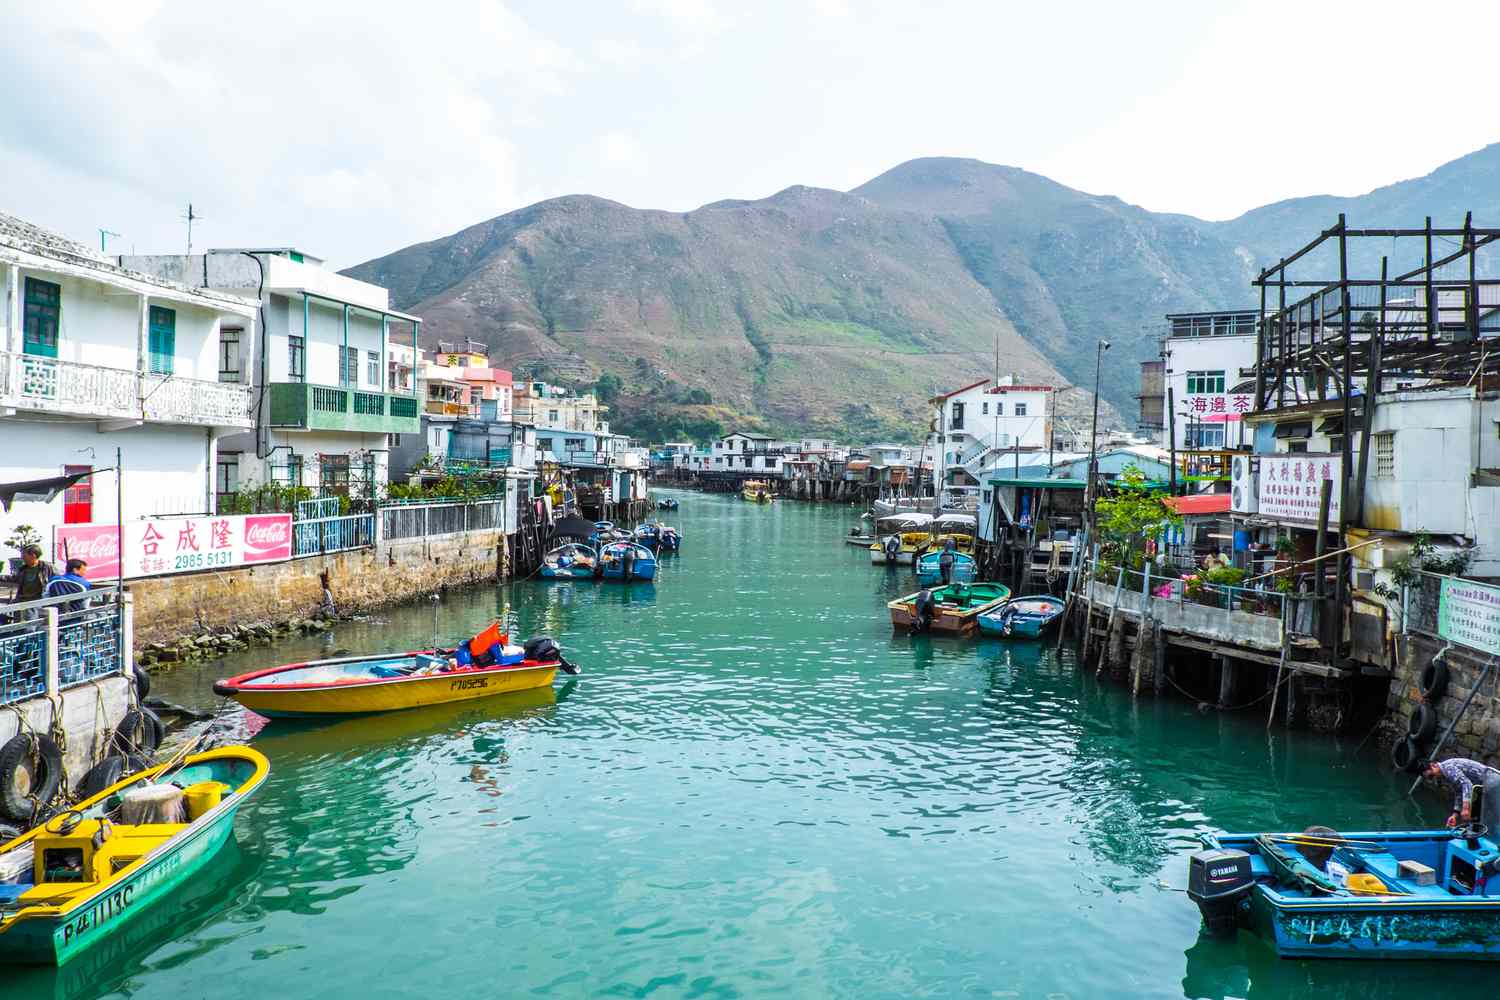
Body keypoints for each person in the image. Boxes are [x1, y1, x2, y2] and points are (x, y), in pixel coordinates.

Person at [1423, 757, 1500, 828]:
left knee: (1490, 815)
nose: (1434, 778)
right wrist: (1455, 814)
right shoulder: (1445, 773)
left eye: (1431, 775)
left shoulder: (1448, 768)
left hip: (1492, 782)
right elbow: (1459, 792)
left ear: (1433, 765)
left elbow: (1466, 784)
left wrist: (1466, 808)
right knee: (1482, 817)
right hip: (1483, 787)